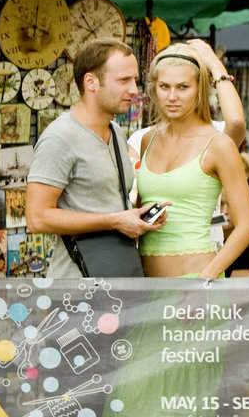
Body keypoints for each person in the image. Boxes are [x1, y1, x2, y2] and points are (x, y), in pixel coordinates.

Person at [24, 38, 157, 276]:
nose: (134, 90)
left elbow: (107, 200)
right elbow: (37, 218)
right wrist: (114, 221)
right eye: (124, 80)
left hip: (117, 275)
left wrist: (138, 215)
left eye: (135, 80)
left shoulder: (115, 131)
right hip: (77, 285)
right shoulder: (60, 138)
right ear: (91, 82)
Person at [133, 42, 249, 279]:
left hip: (196, 281)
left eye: (183, 87)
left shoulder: (218, 144)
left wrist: (206, 277)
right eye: (164, 86)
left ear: (199, 90)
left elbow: (247, 225)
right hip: (146, 286)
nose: (172, 97)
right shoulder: (148, 139)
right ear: (154, 89)